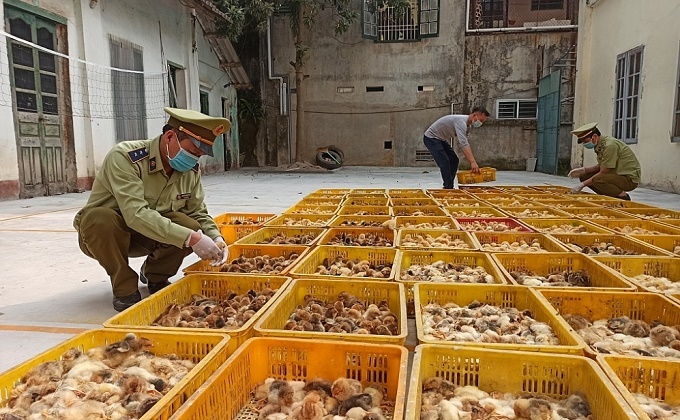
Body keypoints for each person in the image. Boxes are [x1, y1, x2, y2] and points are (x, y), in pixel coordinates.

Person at [73, 107, 231, 311]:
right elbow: (136, 214)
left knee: (189, 224)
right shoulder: (126, 157)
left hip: (148, 237)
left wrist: (216, 237)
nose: (194, 159)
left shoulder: (190, 171)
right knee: (99, 218)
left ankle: (156, 275)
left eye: (199, 156)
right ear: (170, 136)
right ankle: (124, 287)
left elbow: (197, 212)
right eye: (191, 152)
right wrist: (193, 239)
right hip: (107, 237)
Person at [568, 122, 641, 200]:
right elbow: (602, 165)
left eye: (585, 141)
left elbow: (604, 171)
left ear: (594, 137)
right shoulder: (600, 145)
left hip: (628, 179)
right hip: (617, 174)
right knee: (584, 176)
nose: (584, 144)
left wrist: (581, 185)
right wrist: (583, 170)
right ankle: (608, 195)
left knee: (598, 179)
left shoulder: (609, 145)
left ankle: (623, 196)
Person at [423, 107, 489, 189]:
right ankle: (448, 187)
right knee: (445, 162)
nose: (480, 123)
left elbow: (463, 142)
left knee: (454, 160)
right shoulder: (461, 122)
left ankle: (449, 185)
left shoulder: (466, 124)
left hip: (440, 139)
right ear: (474, 115)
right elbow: (463, 143)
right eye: (481, 120)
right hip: (431, 138)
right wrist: (472, 162)